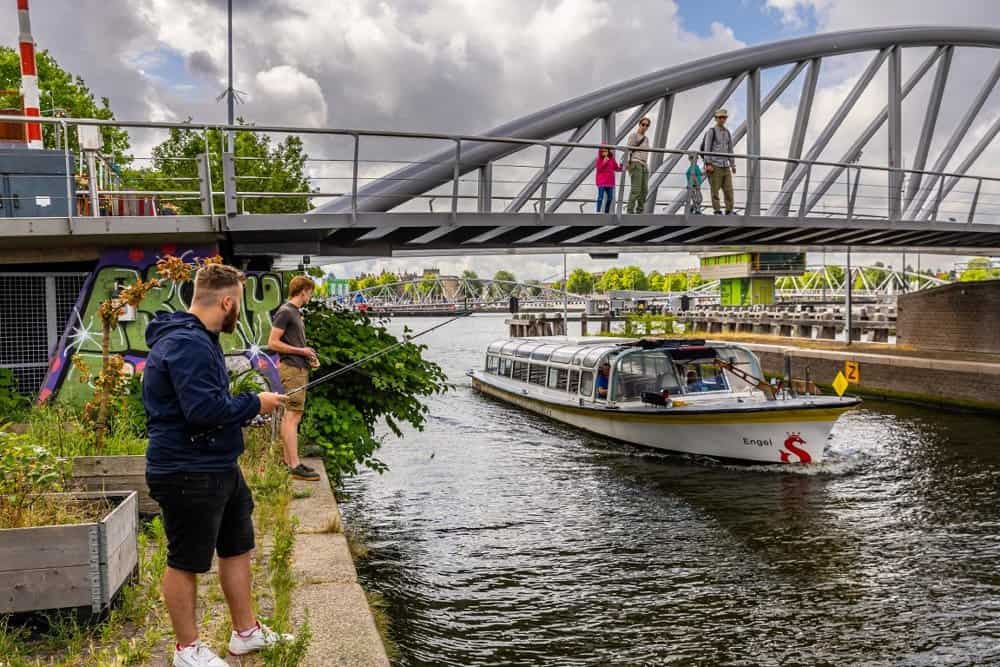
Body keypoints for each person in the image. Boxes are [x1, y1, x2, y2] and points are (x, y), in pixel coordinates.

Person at [143, 263, 292, 667]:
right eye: (238, 305)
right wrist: (254, 403)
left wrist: (243, 410)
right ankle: (186, 650)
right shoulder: (189, 345)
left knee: (237, 546)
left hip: (218, 465)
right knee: (185, 560)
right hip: (187, 470)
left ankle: (246, 633)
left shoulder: (198, 339)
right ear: (227, 302)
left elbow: (208, 407)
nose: (238, 313)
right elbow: (202, 411)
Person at [268, 275, 322, 482]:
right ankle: (294, 465)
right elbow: (273, 343)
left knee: (292, 416)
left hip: (299, 368)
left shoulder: (295, 313)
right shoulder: (286, 312)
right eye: (310, 292)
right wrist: (301, 351)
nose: (311, 296)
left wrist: (309, 356)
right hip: (291, 370)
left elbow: (297, 345)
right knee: (292, 416)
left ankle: (291, 461)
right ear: (303, 291)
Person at [701, 108, 736, 215]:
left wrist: (732, 164)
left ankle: (729, 210)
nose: (722, 119)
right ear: (716, 118)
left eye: (724, 117)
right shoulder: (711, 131)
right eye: (720, 117)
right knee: (715, 190)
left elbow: (730, 149)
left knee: (728, 189)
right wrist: (708, 163)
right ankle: (717, 210)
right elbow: (706, 148)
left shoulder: (727, 132)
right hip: (714, 165)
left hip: (725, 165)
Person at [626, 117, 652, 214]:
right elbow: (628, 150)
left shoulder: (646, 139)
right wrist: (628, 164)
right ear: (639, 124)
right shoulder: (634, 136)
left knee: (644, 190)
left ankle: (640, 211)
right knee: (636, 189)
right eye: (643, 124)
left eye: (647, 125)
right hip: (635, 163)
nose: (645, 127)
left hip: (644, 165)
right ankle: (630, 211)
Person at [595, 146, 623, 213]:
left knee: (610, 198)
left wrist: (621, 165)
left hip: (609, 181)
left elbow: (617, 168)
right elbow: (599, 169)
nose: (605, 153)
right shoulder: (599, 160)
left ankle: (606, 212)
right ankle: (598, 211)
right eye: (603, 151)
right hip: (601, 181)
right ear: (601, 152)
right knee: (600, 197)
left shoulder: (612, 159)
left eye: (606, 151)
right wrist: (604, 162)